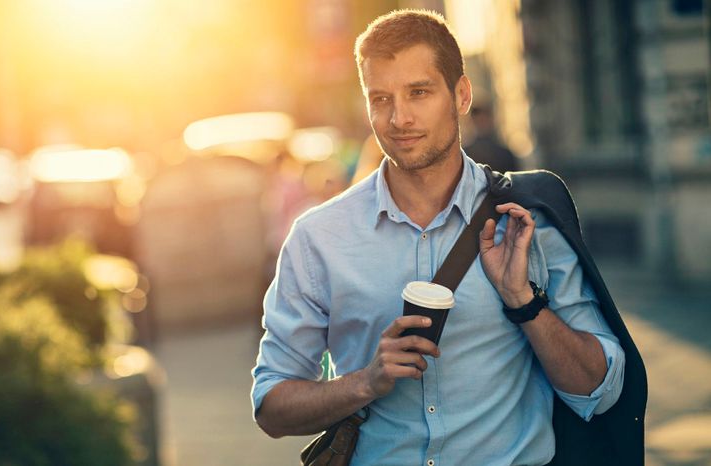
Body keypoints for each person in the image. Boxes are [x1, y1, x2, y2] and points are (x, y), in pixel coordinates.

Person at [252, 10, 626, 465]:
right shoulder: (318, 239)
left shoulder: (526, 219)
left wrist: (524, 301)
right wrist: (365, 382)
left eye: (419, 92)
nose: (399, 117)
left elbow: (599, 390)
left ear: (462, 94)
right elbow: (272, 406)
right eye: (381, 98)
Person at [465, 100, 520, 172]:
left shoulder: (504, 154)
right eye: (479, 120)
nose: (482, 124)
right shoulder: (465, 154)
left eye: (484, 120)